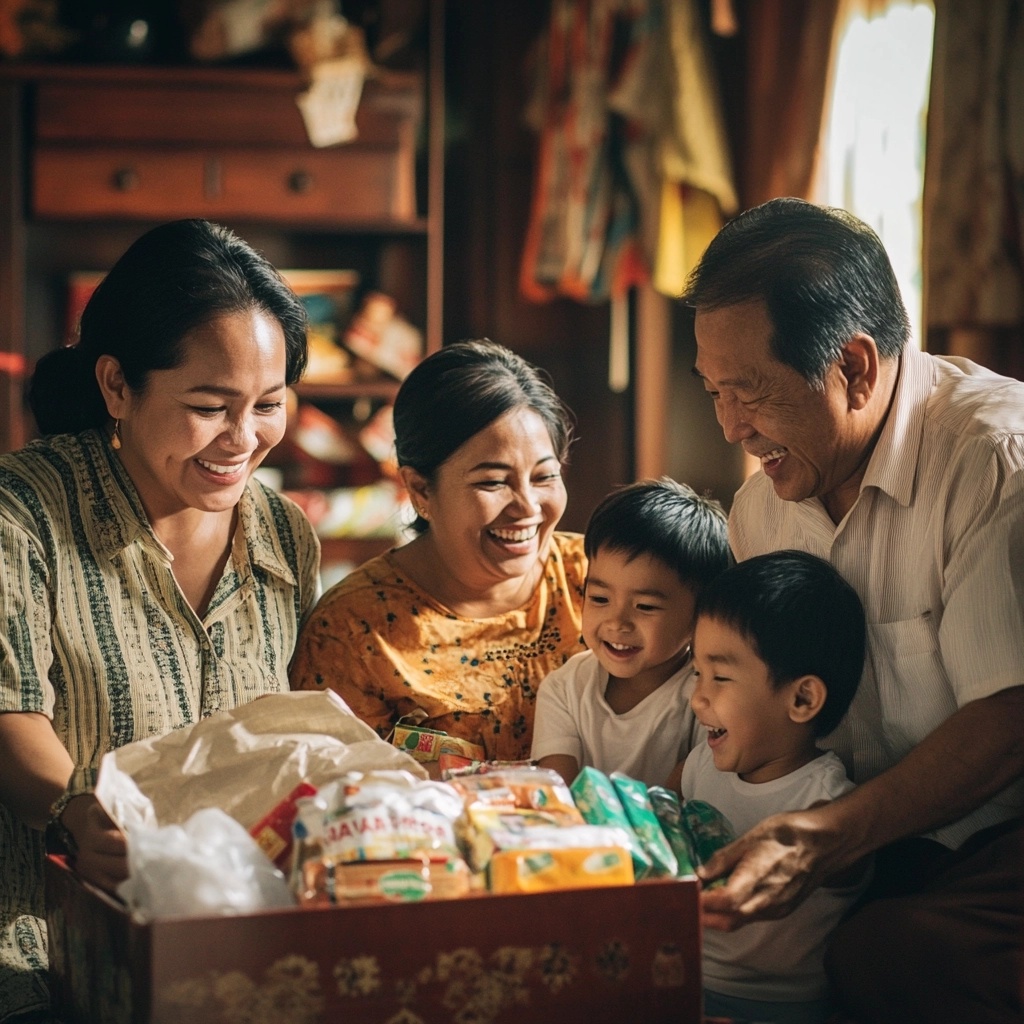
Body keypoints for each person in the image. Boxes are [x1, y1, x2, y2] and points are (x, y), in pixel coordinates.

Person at [684, 196, 1024, 1023]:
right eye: (714, 392)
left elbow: (1011, 713)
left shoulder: (994, 460)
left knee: (885, 956)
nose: (731, 427)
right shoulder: (764, 506)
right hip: (869, 831)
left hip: (998, 832)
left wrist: (823, 836)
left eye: (751, 393)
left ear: (857, 367)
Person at [0, 219, 320, 1023]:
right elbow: (9, 714)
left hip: (237, 945)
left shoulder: (284, 536)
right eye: (210, 406)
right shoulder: (23, 513)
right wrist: (76, 808)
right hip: (45, 946)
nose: (243, 440)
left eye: (269, 405)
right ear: (116, 385)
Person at [290, 339, 587, 761]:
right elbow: (337, 791)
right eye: (492, 482)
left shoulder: (598, 580)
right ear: (420, 489)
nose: (527, 507)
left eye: (544, 477)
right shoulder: (354, 632)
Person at [684, 550, 867, 1024]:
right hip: (685, 980)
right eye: (696, 673)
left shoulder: (828, 805)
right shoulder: (702, 762)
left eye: (720, 677)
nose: (698, 696)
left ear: (802, 698)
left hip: (778, 1009)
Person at [531, 477, 730, 788]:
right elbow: (558, 791)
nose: (617, 622)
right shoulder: (564, 689)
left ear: (700, 614)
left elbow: (683, 797)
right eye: (599, 599)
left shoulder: (707, 697)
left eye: (645, 606)